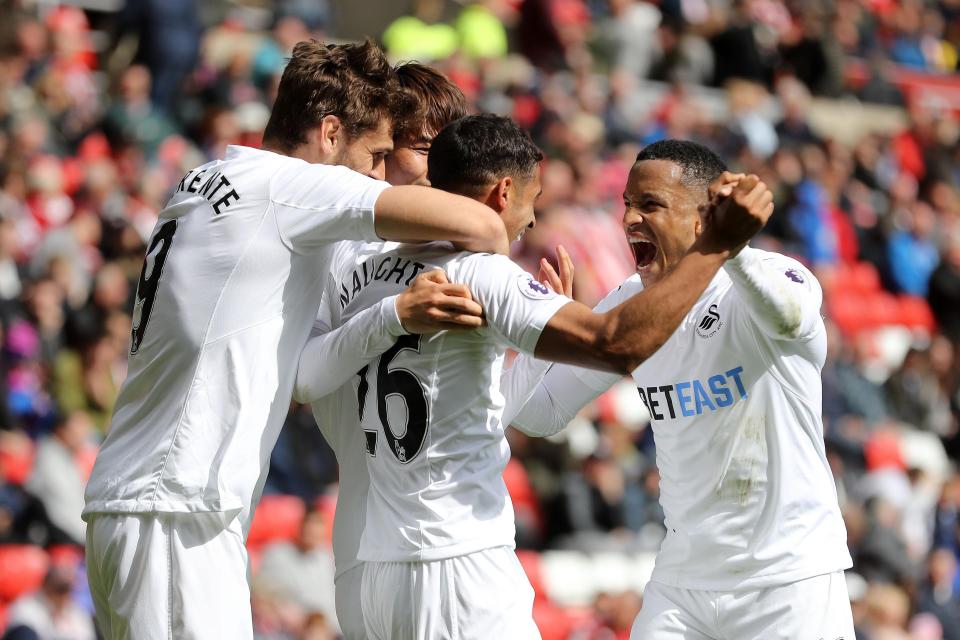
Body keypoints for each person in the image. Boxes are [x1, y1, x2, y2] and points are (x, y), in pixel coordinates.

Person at [81, 40, 507, 639]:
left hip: (151, 499)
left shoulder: (204, 179)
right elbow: (483, 224)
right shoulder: (291, 187)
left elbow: (300, 371)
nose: (378, 173)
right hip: (175, 503)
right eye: (376, 152)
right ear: (330, 132)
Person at [294, 116, 771, 639]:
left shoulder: (361, 270)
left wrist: (543, 342)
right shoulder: (480, 271)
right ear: (503, 192)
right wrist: (715, 246)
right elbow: (618, 344)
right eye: (532, 199)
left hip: (370, 569)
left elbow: (488, 409)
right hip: (457, 562)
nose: (532, 220)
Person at [505, 139, 854, 640]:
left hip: (787, 581)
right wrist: (543, 335)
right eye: (627, 204)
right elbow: (541, 414)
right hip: (682, 586)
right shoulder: (630, 305)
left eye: (650, 205)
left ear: (702, 216)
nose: (628, 220)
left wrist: (727, 247)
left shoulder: (773, 276)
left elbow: (790, 317)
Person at [299, 60, 473, 639]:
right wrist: (392, 316)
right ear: (379, 147)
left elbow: (518, 410)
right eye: (421, 149)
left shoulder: (469, 254)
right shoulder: (331, 248)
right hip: (367, 537)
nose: (436, 172)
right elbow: (305, 379)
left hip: (456, 534)